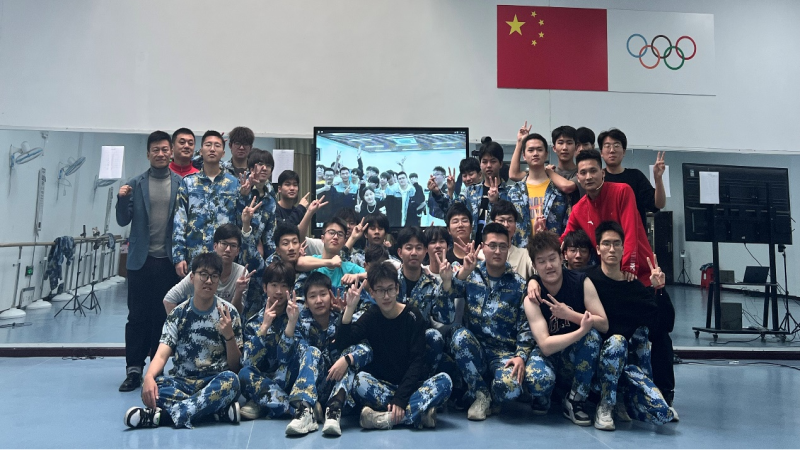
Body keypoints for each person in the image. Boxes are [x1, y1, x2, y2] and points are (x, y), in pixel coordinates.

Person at [124, 253, 243, 429]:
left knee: (232, 381)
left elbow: (235, 366)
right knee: (155, 386)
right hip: (183, 382)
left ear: (218, 281)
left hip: (214, 380)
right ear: (192, 278)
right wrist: (148, 376)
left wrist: (229, 336)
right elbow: (162, 353)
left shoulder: (229, 313)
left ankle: (163, 418)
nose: (208, 281)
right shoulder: (178, 314)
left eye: (214, 276)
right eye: (203, 274)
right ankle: (214, 412)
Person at [336, 263, 453, 431]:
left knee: (445, 381)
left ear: (397, 289)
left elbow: (417, 362)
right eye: (380, 290)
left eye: (390, 289)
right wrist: (350, 308)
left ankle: (383, 418)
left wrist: (401, 399)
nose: (386, 296)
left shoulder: (413, 316)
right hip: (383, 386)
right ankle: (417, 415)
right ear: (372, 293)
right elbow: (343, 342)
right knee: (359, 381)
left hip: (412, 386)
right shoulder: (371, 315)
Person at [439, 223, 533, 421]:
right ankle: (482, 394)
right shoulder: (471, 275)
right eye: (492, 245)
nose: (497, 251)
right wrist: (461, 273)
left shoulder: (519, 284)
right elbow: (448, 300)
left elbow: (526, 326)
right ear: (483, 247)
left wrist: (521, 356)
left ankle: (488, 392)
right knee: (459, 336)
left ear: (509, 248)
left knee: (510, 388)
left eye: (503, 246)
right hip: (476, 351)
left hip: (503, 353)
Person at [586, 221, 675, 430]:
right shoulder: (587, 280)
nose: (611, 249)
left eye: (616, 244)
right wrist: (534, 279)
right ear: (598, 249)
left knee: (662, 415)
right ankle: (605, 405)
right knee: (616, 342)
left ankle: (631, 399)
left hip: (627, 366)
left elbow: (664, 324)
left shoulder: (633, 286)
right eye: (606, 244)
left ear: (623, 248)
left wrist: (660, 289)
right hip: (596, 363)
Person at [116, 131, 183, 392]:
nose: (161, 154)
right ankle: (133, 370)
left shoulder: (181, 184)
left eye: (165, 149)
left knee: (162, 318)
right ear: (148, 154)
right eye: (156, 149)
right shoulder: (135, 184)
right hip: (140, 262)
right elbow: (123, 219)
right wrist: (121, 199)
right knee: (137, 316)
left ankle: (156, 370)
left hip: (168, 261)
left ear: (171, 153)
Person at [523, 230, 608, 426]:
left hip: (574, 353)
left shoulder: (581, 282)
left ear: (561, 257)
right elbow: (545, 346)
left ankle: (575, 400)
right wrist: (581, 330)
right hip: (550, 354)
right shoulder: (532, 297)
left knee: (592, 337)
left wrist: (570, 315)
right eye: (542, 261)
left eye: (552, 258)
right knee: (538, 380)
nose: (549, 265)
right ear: (534, 265)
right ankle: (544, 395)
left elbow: (603, 324)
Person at [279, 272, 373, 436]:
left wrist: (347, 359)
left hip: (340, 388)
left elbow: (367, 349)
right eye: (312, 296)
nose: (319, 300)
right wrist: (291, 323)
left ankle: (333, 411)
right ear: (306, 301)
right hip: (311, 385)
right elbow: (283, 357)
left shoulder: (342, 319)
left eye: (323, 294)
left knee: (349, 358)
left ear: (331, 295)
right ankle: (305, 411)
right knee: (312, 351)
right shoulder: (299, 320)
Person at [563, 149, 654, 286]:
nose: (588, 177)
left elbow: (630, 232)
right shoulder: (578, 209)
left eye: (593, 171)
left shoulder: (622, 192)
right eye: (583, 173)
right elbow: (565, 238)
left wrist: (629, 265)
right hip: (610, 275)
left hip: (640, 271)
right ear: (578, 177)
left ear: (603, 173)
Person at [239, 262, 311, 421]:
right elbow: (248, 362)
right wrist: (264, 328)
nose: (279, 291)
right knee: (244, 374)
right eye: (274, 285)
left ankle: (263, 402)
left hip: (289, 376)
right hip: (264, 380)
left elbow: (290, 357)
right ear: (265, 287)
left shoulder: (299, 314)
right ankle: (294, 409)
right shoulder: (254, 322)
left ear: (291, 289)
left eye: (284, 286)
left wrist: (291, 323)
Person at [173, 130, 245, 277]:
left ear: (223, 153)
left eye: (217, 145)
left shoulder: (234, 183)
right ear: (201, 151)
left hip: (225, 258)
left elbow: (239, 223)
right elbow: (180, 221)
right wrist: (178, 256)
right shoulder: (188, 182)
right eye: (208, 145)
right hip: (195, 257)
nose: (212, 149)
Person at [430, 138, 509, 245]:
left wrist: (495, 202)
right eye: (484, 162)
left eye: (493, 161)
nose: (489, 165)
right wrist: (438, 193)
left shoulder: (510, 193)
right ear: (480, 165)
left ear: (501, 164)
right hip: (471, 248)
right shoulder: (470, 191)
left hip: (498, 248)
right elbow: (451, 212)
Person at [163, 224, 250, 314]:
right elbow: (169, 299)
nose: (228, 249)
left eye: (233, 245)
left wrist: (239, 291)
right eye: (224, 244)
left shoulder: (241, 274)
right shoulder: (201, 271)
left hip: (226, 321)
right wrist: (178, 321)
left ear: (238, 251)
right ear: (215, 246)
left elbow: (237, 313)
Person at [506, 131, 571, 247]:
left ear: (546, 154)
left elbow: (567, 225)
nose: (535, 153)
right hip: (520, 251)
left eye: (539, 150)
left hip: (551, 251)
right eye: (531, 150)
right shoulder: (514, 192)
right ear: (524, 155)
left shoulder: (559, 191)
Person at [598, 128, 667, 229]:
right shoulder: (598, 178)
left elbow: (659, 204)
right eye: (607, 146)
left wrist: (658, 179)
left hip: (635, 234)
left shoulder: (636, 176)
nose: (612, 150)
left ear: (624, 152)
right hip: (605, 236)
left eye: (616, 146)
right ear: (601, 152)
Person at [299, 218, 366, 288]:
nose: (335, 237)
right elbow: (300, 263)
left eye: (340, 234)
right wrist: (331, 262)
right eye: (331, 233)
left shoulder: (349, 267)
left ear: (344, 242)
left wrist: (357, 276)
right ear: (322, 238)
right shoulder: (313, 261)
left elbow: (371, 275)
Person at [478, 200, 534, 279]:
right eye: (501, 220)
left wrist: (534, 279)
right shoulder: (480, 255)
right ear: (493, 223)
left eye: (510, 221)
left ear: (515, 226)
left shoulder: (524, 254)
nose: (506, 225)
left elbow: (539, 271)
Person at [240, 148, 277, 258]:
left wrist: (272, 261)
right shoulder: (241, 187)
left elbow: (270, 235)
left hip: (259, 256)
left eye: (268, 165)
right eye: (260, 164)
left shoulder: (270, 200)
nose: (264, 168)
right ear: (251, 168)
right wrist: (243, 194)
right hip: (237, 249)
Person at [275, 169, 316, 239]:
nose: (292, 188)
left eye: (295, 185)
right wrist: (301, 208)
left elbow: (300, 237)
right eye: (287, 184)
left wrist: (310, 212)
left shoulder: (297, 211)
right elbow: (282, 229)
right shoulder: (273, 208)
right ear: (279, 189)